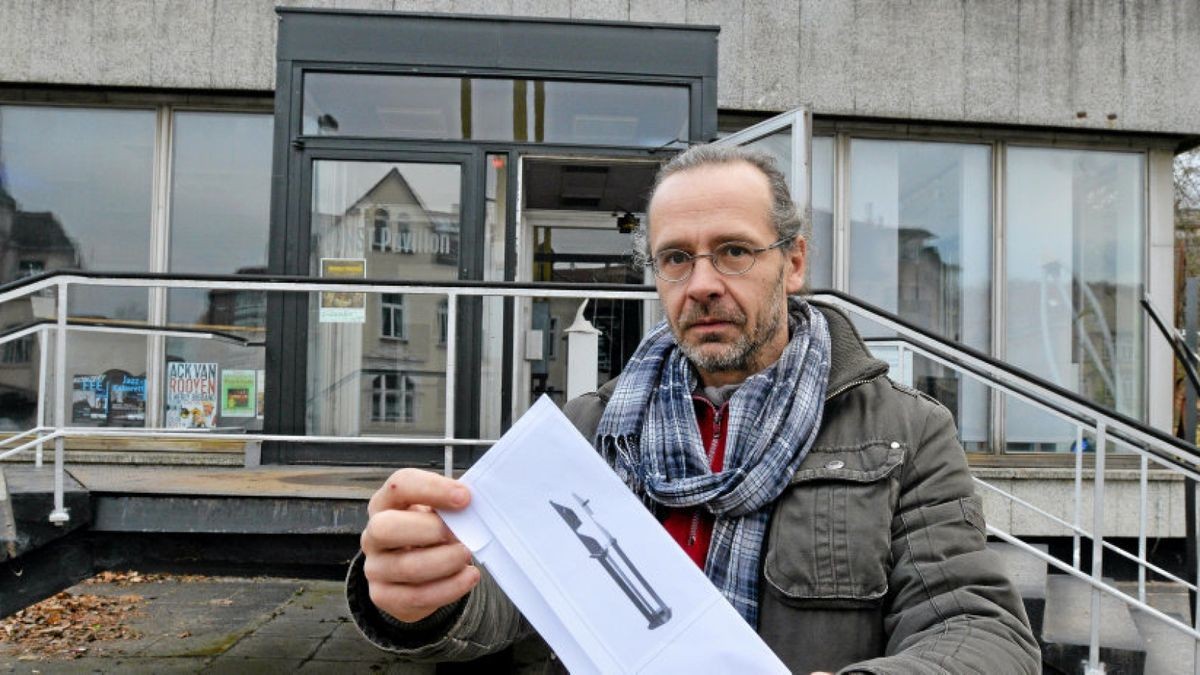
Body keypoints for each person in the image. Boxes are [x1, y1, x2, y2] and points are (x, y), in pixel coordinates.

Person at [346, 145, 1041, 674]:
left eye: (733, 251)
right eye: (676, 258)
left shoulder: (903, 432)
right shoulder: (589, 430)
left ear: (793, 261)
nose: (702, 283)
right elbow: (513, 596)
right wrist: (425, 591)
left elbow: (978, 628)